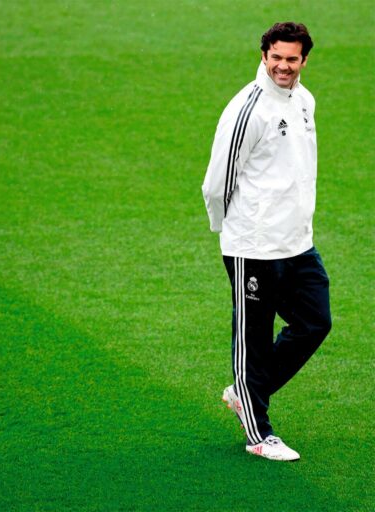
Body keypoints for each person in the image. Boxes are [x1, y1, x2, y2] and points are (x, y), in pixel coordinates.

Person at [201, 22, 332, 461]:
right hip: (253, 246)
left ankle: (246, 392)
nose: (283, 66)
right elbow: (216, 182)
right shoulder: (249, 109)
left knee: (315, 322)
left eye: (291, 58)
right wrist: (231, 232)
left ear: (304, 60)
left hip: (297, 243)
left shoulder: (305, 100)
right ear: (264, 55)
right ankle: (258, 435)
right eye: (276, 57)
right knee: (253, 340)